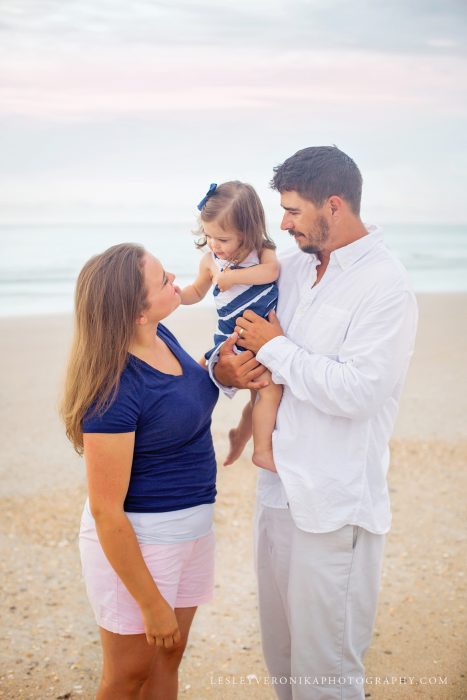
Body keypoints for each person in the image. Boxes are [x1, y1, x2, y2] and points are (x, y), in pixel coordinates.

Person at [210, 147, 418, 699]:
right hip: (275, 492)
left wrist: (276, 348)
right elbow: (241, 333)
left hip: (332, 504)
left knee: (325, 674)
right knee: (283, 664)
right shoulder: (296, 266)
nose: (282, 222)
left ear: (334, 205)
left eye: (294, 211)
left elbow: (358, 392)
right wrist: (224, 368)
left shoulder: (385, 284)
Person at [61, 243, 220, 700]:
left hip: (191, 532)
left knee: (168, 658)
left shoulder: (161, 338)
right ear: (136, 314)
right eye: (162, 279)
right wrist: (150, 603)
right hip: (142, 545)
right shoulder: (112, 390)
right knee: (128, 674)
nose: (175, 278)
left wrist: (218, 369)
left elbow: (183, 399)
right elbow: (106, 510)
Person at [180, 180, 282, 471]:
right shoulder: (210, 261)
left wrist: (234, 277)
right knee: (264, 390)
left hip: (260, 338)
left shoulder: (262, 252)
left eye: (222, 239)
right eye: (209, 236)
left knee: (264, 391)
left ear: (247, 232)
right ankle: (254, 445)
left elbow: (271, 272)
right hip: (231, 339)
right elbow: (196, 292)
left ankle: (247, 439)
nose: (214, 245)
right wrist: (178, 297)